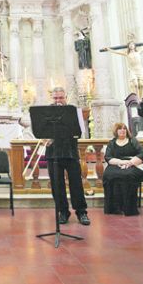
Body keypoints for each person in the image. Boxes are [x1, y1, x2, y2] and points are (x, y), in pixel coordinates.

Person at [45, 87, 90, 226]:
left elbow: (79, 132)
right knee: (56, 185)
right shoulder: (46, 112)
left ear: (66, 97)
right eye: (55, 98)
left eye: (61, 98)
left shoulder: (73, 111)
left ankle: (81, 212)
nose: (58, 100)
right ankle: (63, 211)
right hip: (53, 153)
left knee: (76, 183)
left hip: (70, 151)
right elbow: (41, 130)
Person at [102, 122, 143, 216]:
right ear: (116, 131)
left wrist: (130, 163)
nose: (122, 130)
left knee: (127, 174)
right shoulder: (112, 143)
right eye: (120, 129)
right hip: (117, 164)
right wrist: (121, 162)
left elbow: (141, 154)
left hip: (133, 164)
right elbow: (108, 157)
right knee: (108, 175)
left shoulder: (132, 141)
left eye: (124, 128)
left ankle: (128, 209)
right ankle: (114, 208)